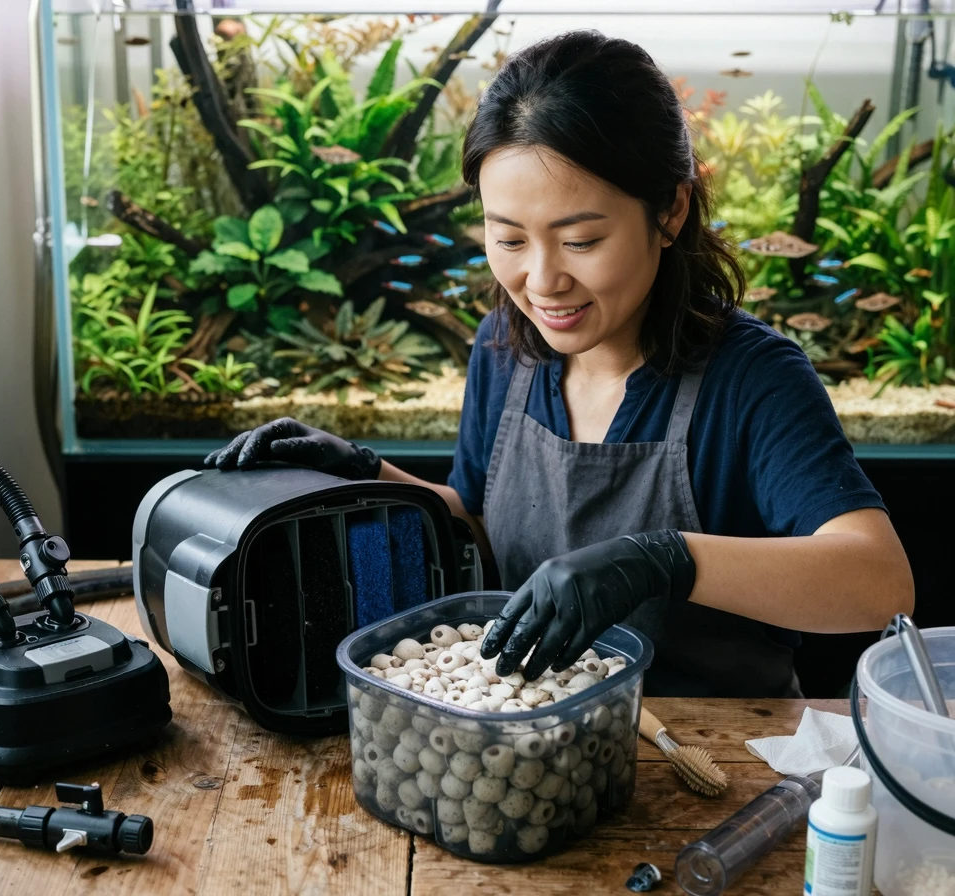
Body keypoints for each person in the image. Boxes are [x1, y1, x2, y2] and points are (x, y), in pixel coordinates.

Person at [204, 30, 914, 697]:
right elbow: (482, 525)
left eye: (580, 241)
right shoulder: (503, 348)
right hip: (536, 736)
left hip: (715, 751)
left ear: (670, 211)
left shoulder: (752, 379)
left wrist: (664, 559)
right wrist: (363, 472)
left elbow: (879, 584)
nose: (542, 282)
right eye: (510, 240)